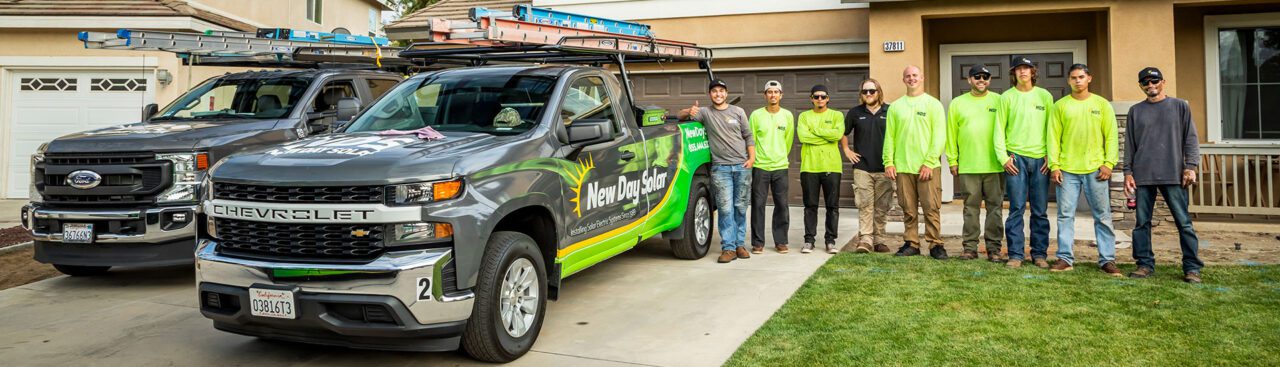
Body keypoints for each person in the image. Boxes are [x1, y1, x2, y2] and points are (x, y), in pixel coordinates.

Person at [1124, 67, 1204, 283]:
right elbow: (1129, 145)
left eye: (1154, 81)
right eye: (1145, 82)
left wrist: (1191, 166)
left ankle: (1192, 268)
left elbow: (1191, 139)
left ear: (1163, 82)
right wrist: (1128, 172)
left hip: (1174, 174)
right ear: (1140, 86)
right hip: (1143, 175)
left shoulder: (1179, 107)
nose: (1150, 85)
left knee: (1183, 223)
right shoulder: (1135, 111)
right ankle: (1144, 264)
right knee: (1142, 223)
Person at [1046, 64, 1121, 276]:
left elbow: (1112, 136)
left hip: (1096, 169)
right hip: (1067, 169)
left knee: (1103, 216)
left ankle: (1107, 260)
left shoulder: (1102, 105)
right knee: (1065, 215)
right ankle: (1065, 258)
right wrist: (1055, 165)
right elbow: (1053, 138)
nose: (1077, 81)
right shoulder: (1060, 106)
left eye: (1081, 77)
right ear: (1068, 81)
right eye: (1073, 78)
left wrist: (1109, 163)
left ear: (1089, 78)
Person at [678, 79, 756, 263]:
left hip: (742, 166)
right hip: (720, 168)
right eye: (714, 91)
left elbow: (748, 136)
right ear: (710, 94)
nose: (718, 94)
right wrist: (689, 111)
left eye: (721, 91)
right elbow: (679, 116)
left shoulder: (738, 112)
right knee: (725, 208)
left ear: (726, 93)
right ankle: (728, 248)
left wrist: (751, 159)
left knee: (740, 207)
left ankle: (739, 245)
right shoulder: (705, 113)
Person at [997, 56, 1055, 269]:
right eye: (1019, 69)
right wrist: (1003, 158)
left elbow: (1052, 129)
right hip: (1016, 159)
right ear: (1014, 73)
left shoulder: (1045, 96)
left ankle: (1039, 254)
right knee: (1016, 208)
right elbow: (998, 130)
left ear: (1033, 72)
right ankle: (1015, 255)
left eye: (1026, 68)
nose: (1023, 72)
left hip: (1041, 160)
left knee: (1039, 210)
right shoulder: (1007, 97)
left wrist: (1052, 155)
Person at [884, 66, 947, 259]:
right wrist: (889, 162)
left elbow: (939, 136)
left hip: (927, 168)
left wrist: (929, 162)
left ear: (922, 78)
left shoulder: (933, 104)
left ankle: (935, 244)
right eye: (908, 76)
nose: (912, 79)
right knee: (908, 209)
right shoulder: (896, 106)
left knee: (931, 208)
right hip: (903, 167)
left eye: (915, 76)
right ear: (903, 80)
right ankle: (912, 243)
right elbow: (890, 137)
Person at [946, 65, 1005, 261]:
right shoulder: (958, 103)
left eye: (985, 77)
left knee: (995, 209)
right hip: (969, 165)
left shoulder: (999, 100)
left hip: (995, 165)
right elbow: (951, 134)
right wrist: (953, 160)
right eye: (977, 77)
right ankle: (969, 248)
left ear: (989, 80)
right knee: (970, 208)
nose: (982, 80)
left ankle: (994, 249)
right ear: (969, 80)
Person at [842, 79, 894, 253]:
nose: (869, 94)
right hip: (862, 167)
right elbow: (843, 133)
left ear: (878, 91)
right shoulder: (855, 113)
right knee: (865, 205)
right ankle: (865, 240)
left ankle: (879, 240)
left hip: (885, 168)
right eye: (865, 92)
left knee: (882, 206)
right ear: (861, 94)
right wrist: (846, 150)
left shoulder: (890, 111)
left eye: (872, 91)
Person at [797, 85, 845, 254]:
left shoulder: (836, 115)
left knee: (832, 206)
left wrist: (815, 131)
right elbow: (803, 137)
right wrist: (827, 135)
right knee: (810, 206)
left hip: (832, 166)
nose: (819, 99)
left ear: (828, 98)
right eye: (816, 97)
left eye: (822, 97)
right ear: (811, 98)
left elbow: (837, 135)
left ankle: (830, 241)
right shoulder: (804, 116)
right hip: (810, 167)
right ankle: (809, 240)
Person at [748, 80, 795, 254]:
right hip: (760, 166)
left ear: (781, 95)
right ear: (765, 95)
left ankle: (781, 241)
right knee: (758, 205)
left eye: (776, 92)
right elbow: (750, 139)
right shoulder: (756, 115)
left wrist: (780, 155)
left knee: (782, 205)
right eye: (770, 92)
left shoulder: (788, 115)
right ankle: (758, 243)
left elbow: (788, 140)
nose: (773, 95)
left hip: (780, 166)